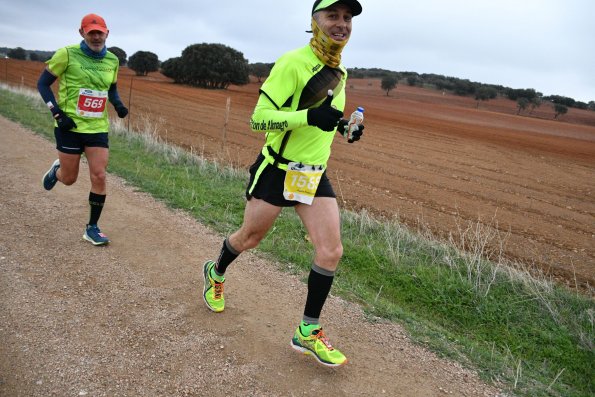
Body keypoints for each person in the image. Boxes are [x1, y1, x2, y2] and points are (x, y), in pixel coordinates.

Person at [202, 0, 364, 367]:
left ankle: (307, 331)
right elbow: (258, 120)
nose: (342, 24)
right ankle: (216, 272)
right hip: (277, 169)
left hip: (312, 173)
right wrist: (309, 115)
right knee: (250, 238)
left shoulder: (340, 71)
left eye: (347, 18)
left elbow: (325, 119)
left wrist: (343, 128)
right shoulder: (292, 63)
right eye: (333, 16)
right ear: (315, 21)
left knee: (331, 250)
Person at [38, 13, 128, 246]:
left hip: (97, 127)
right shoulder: (66, 54)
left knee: (99, 175)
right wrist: (57, 113)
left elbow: (111, 89)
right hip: (69, 125)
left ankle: (92, 228)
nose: (96, 37)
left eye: (100, 32)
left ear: (107, 33)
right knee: (69, 179)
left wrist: (117, 104)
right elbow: (43, 84)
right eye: (91, 32)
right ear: (82, 33)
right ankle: (57, 171)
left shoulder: (112, 60)